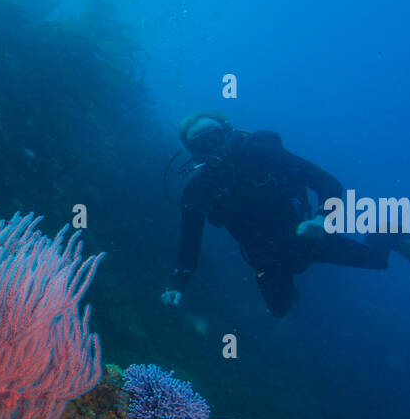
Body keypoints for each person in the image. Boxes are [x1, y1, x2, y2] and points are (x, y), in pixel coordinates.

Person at [163, 112, 395, 317]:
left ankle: (387, 233)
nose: (213, 148)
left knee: (378, 260)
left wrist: (322, 218)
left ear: (228, 133)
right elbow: (190, 242)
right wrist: (178, 284)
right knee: (278, 310)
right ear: (194, 153)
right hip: (265, 258)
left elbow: (328, 183)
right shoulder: (198, 191)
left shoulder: (264, 155)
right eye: (202, 144)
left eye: (215, 138)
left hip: (306, 239)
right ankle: (287, 286)